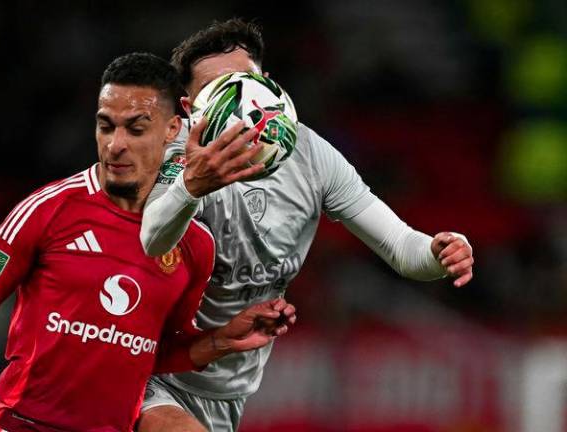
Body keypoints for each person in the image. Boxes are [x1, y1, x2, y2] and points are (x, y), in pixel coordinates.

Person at [0, 52, 297, 432]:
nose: (116, 145)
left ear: (173, 129)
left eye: (136, 129)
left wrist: (221, 340)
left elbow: (152, 351)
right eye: (107, 126)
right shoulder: (49, 210)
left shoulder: (194, 245)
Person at [137, 19, 475, 432]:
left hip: (227, 391)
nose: (238, 99)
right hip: (148, 369)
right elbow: (150, 239)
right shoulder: (174, 156)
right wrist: (191, 186)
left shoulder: (313, 157)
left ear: (269, 86)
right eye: (217, 89)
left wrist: (440, 253)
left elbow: (404, 248)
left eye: (245, 81)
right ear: (190, 108)